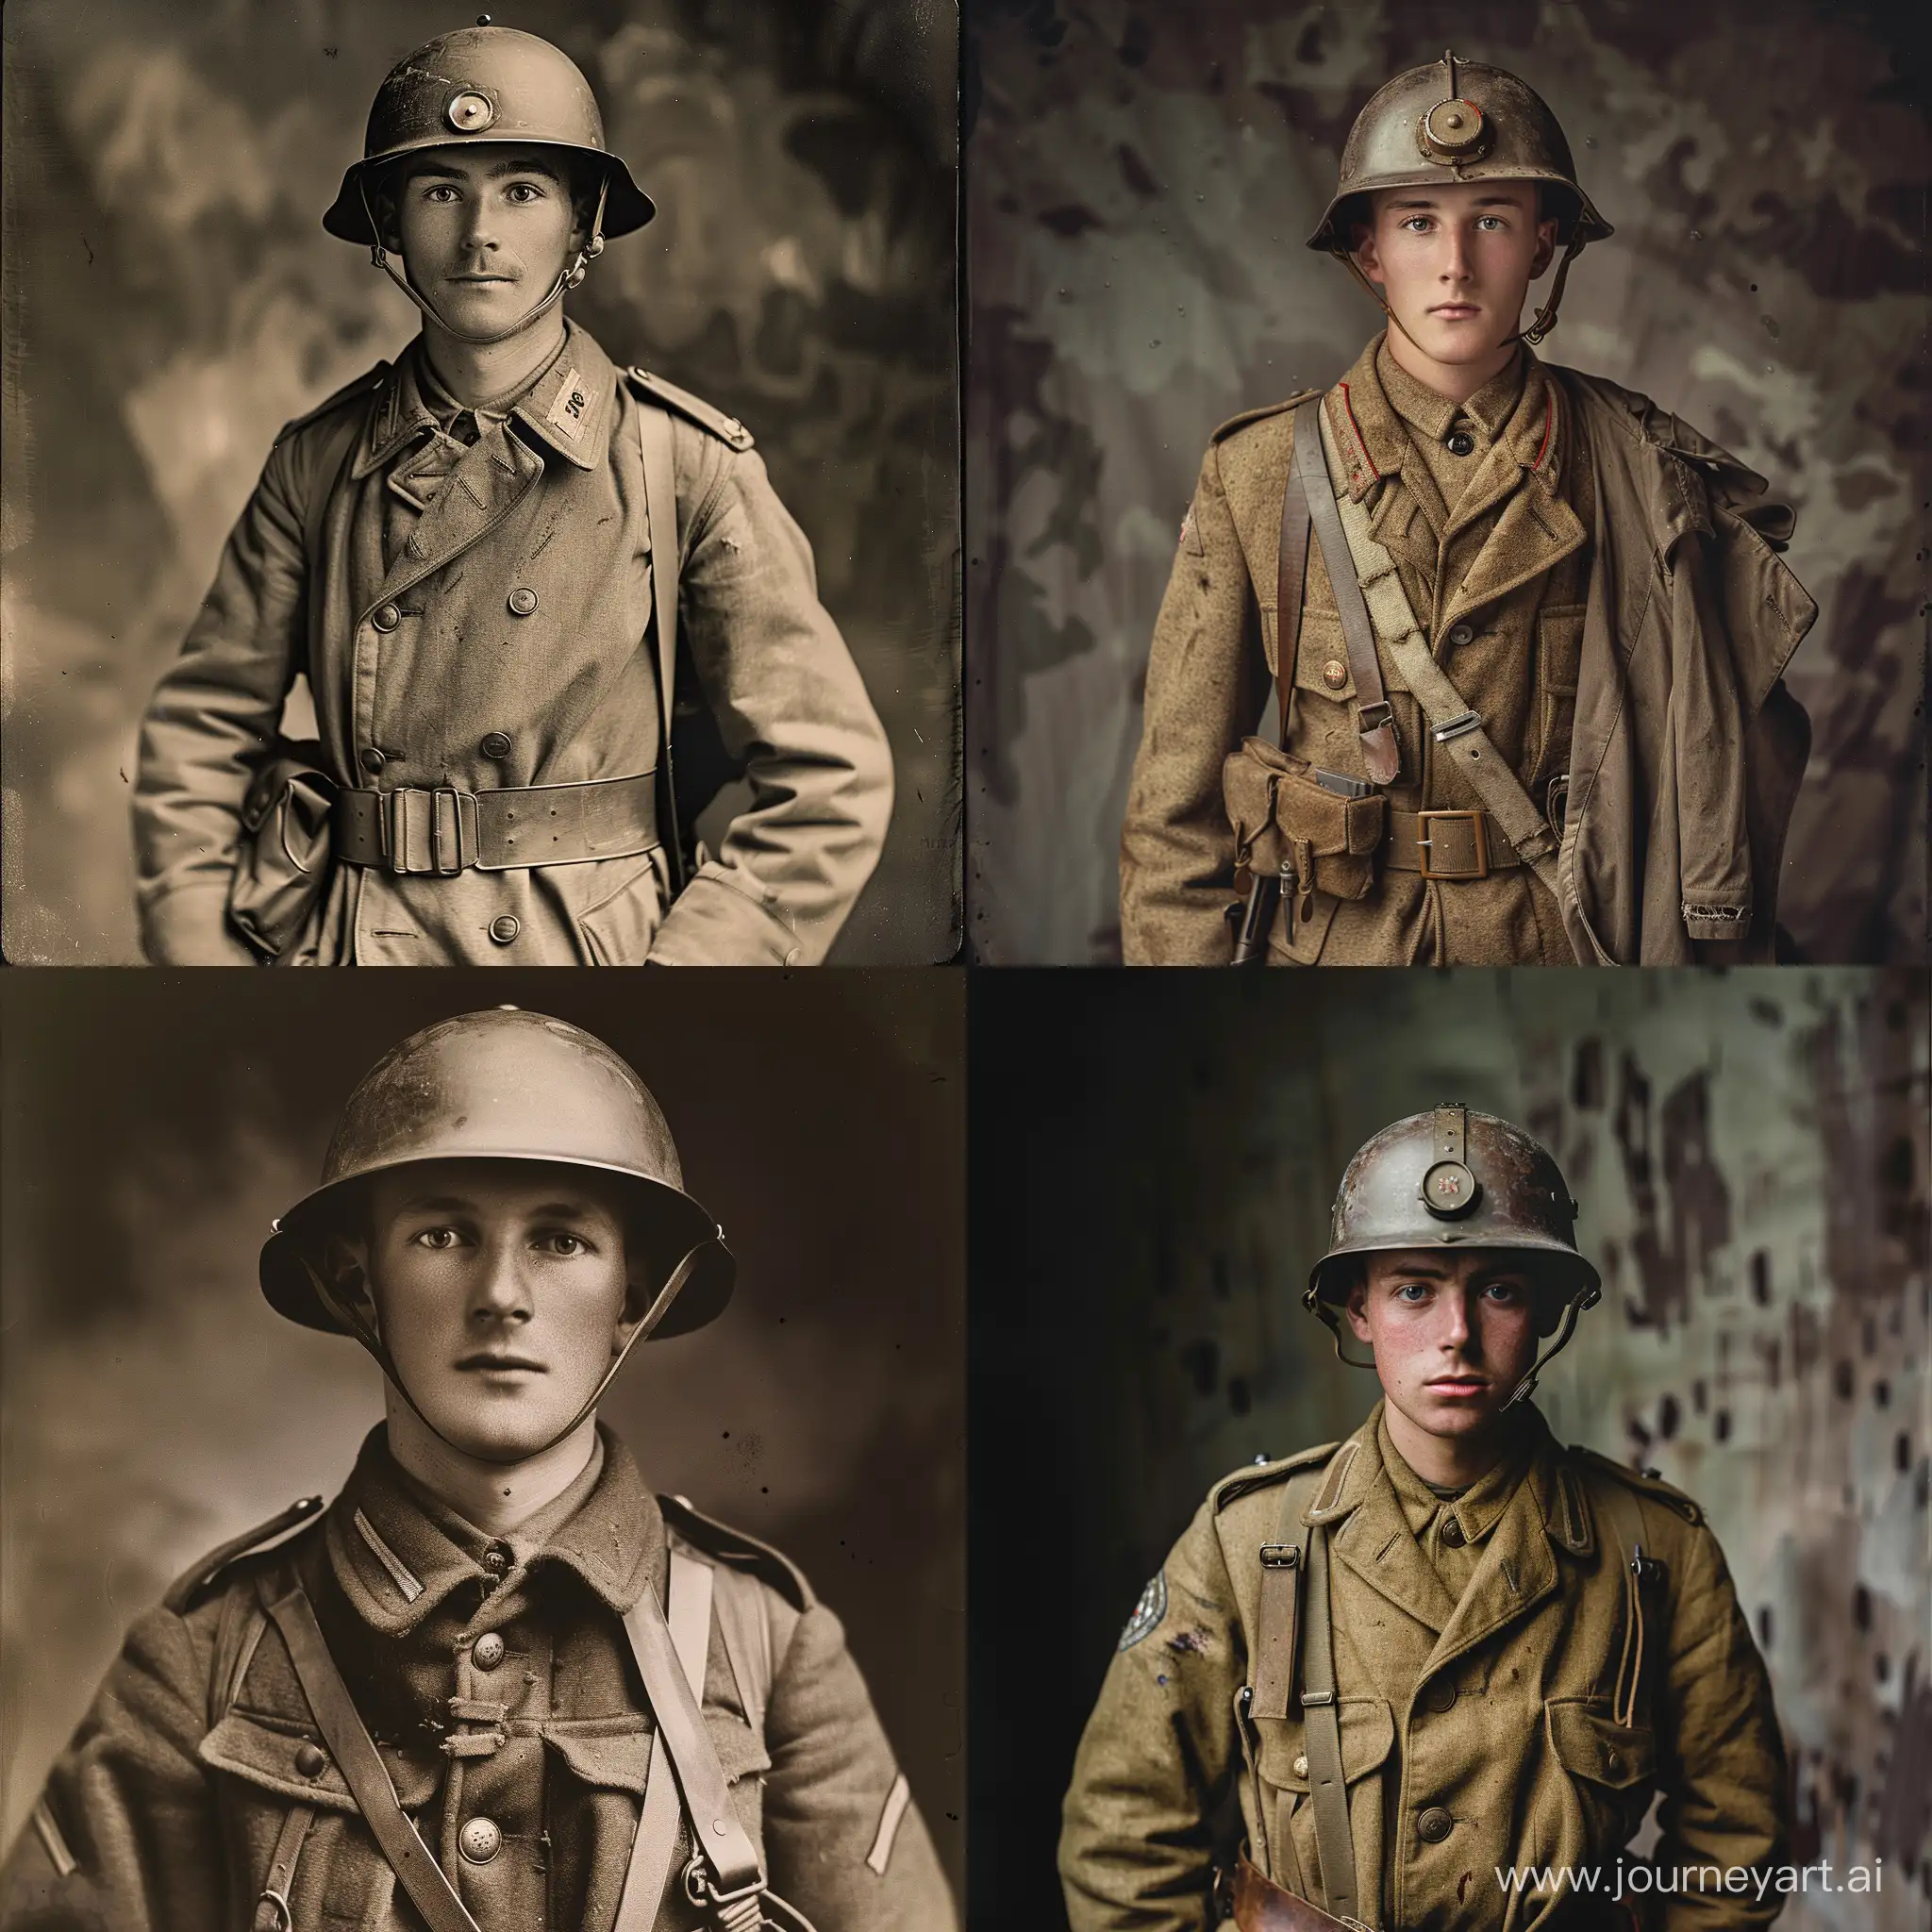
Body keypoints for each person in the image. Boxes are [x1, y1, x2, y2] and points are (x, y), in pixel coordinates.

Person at [1, 1008, 954, 1931]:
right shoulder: (205, 1658)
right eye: (443, 1235)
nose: (500, 1294)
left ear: (633, 1294)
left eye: (560, 1238)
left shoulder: (769, 1651)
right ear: (359, 1281)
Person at [134, 25, 892, 967]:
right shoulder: (317, 463)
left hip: (587, 953)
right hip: (350, 950)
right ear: (388, 224)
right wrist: (208, 955)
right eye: (439, 190)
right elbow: (200, 731)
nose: (478, 233)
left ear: (582, 223)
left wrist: (685, 976)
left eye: (523, 191)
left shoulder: (680, 461)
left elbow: (830, 776)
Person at [1120, 52, 1815, 968]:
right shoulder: (1256, 476)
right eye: (1416, 223)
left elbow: (1719, 763)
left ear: (1540, 244)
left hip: (1566, 949)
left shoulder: (1642, 470)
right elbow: (1175, 824)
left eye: (1489, 221)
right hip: (1333, 954)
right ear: (1369, 252)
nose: (1452, 264)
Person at [1060, 1105, 1788, 1930]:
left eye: (1500, 1291)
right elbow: (1122, 1834)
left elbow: (1738, 1840)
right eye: (1414, 1290)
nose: (1458, 1335)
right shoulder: (1249, 1541)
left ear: (1548, 1311)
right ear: (1359, 1312)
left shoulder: (1654, 1549)